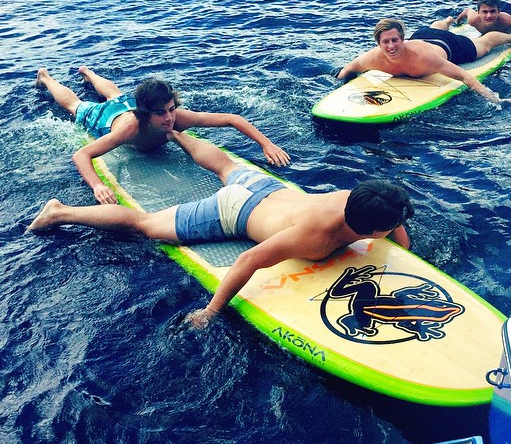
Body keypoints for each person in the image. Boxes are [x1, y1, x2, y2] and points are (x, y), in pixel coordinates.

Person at [28, 130, 414, 329]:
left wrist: (406, 250)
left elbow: (395, 220)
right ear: (369, 230)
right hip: (237, 210)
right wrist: (210, 311)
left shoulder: (364, 197)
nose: (398, 227)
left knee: (227, 167)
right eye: (390, 228)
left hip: (269, 189)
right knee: (147, 226)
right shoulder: (314, 235)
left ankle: (178, 134)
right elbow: (250, 259)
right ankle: (60, 212)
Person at [36, 66, 291, 204]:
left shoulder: (177, 116)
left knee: (116, 94)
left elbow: (232, 119)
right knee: (76, 105)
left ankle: (89, 73)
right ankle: (46, 78)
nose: (169, 118)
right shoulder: (130, 129)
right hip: (108, 118)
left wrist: (267, 145)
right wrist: (98, 185)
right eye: (161, 113)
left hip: (128, 104)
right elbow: (82, 154)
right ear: (146, 114)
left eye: (171, 109)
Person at [337, 18, 511, 104]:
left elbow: (464, 76)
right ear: (378, 44)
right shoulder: (372, 58)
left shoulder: (425, 59)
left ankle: (510, 37)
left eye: (395, 40)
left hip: (446, 45)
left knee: (484, 45)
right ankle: (446, 21)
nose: (391, 46)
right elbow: (347, 70)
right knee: (434, 28)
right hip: (422, 34)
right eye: (385, 42)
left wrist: (494, 99)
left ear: (402, 39)